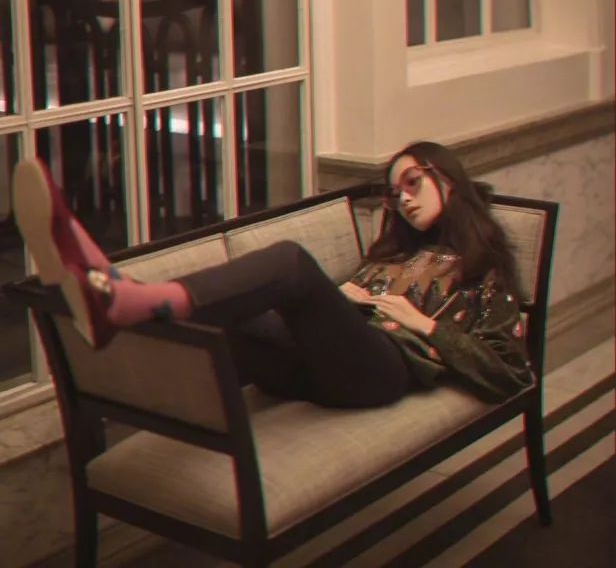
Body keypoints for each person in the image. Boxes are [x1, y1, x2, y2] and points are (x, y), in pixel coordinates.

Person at [12, 142, 533, 409]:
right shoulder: (395, 254)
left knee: (290, 262)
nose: (404, 198)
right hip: (320, 365)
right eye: (396, 193)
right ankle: (111, 293)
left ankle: (124, 298)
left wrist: (424, 324)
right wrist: (342, 298)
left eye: (413, 182)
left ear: (447, 176)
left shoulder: (480, 266)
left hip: (384, 372)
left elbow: (512, 372)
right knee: (230, 313)